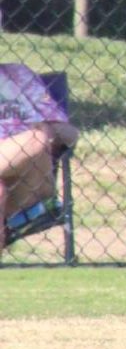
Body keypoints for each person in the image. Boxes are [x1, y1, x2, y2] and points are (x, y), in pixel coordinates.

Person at [0, 52, 78, 250]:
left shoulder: (18, 75)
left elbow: (70, 134)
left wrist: (43, 130)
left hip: (30, 181)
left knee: (36, 139)